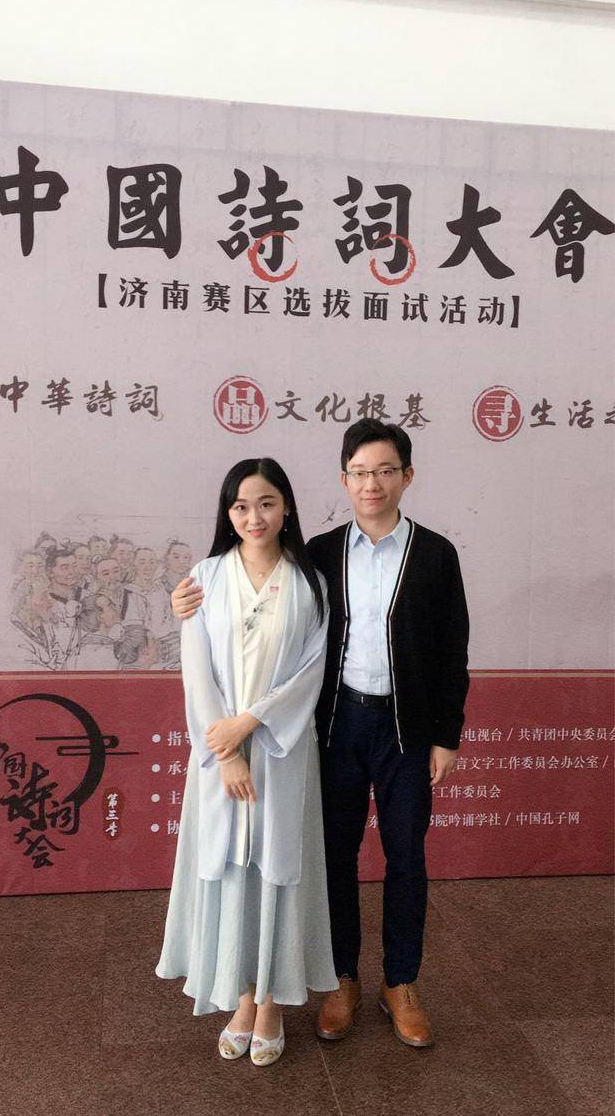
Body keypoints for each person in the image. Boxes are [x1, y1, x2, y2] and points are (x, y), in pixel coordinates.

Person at [170, 420, 469, 1050]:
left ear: (406, 476)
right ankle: (342, 979)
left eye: (384, 471)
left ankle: (401, 981)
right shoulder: (322, 555)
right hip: (337, 726)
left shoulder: (436, 554)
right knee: (332, 857)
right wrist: (183, 605)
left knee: (407, 856)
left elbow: (452, 649)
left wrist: (447, 735)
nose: (372, 483)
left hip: (407, 731)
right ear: (343, 479)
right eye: (360, 472)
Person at [156, 458, 337, 1066]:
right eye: (240, 506)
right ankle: (239, 997)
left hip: (284, 752)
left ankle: (271, 1003)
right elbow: (197, 672)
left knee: (277, 867)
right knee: (230, 867)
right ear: (226, 513)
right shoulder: (204, 577)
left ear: (286, 506)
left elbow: (310, 671)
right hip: (220, 759)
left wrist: (251, 721)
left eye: (266, 503)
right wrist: (227, 750)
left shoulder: (310, 582)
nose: (253, 517)